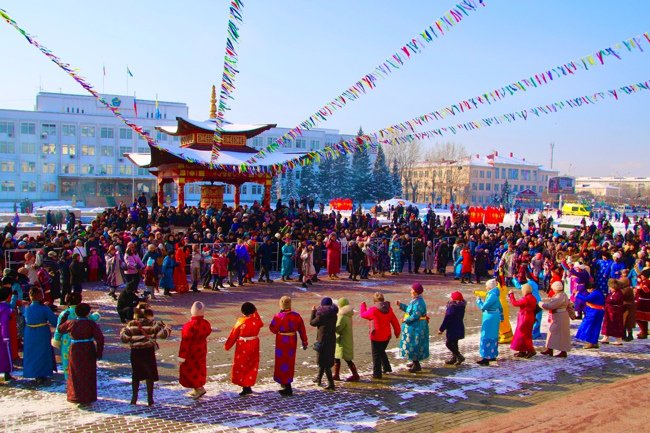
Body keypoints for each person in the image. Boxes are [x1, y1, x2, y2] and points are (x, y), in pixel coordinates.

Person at [120, 304, 172, 406]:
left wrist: (122, 331)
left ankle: (134, 398)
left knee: (136, 375)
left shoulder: (131, 324)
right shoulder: (152, 323)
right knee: (149, 375)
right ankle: (150, 399)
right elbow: (163, 335)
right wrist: (167, 328)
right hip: (148, 351)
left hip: (135, 352)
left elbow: (124, 339)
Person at [55, 303, 104, 405]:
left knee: (75, 372)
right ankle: (88, 397)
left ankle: (75, 396)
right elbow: (100, 338)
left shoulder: (71, 323)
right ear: (87, 313)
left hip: (75, 350)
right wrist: (99, 352)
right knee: (88, 372)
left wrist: (63, 318)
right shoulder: (91, 323)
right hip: (88, 349)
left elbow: (60, 329)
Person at [52, 293, 101, 380]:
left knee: (68, 362)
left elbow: (58, 329)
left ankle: (69, 380)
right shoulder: (83, 311)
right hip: (83, 341)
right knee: (82, 363)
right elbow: (93, 318)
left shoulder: (64, 313)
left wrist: (56, 339)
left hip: (67, 341)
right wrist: (97, 314)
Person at [269, 296, 308, 396]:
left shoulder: (278, 316)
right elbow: (302, 330)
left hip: (282, 341)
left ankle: (286, 385)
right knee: (289, 362)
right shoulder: (296, 316)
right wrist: (304, 341)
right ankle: (286, 382)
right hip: (292, 340)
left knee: (281, 361)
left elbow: (272, 329)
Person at [224, 302, 263, 396]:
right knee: (252, 364)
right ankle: (248, 384)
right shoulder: (256, 321)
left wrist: (227, 345)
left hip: (243, 346)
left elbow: (233, 334)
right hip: (254, 344)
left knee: (242, 365)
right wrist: (255, 311)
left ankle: (245, 386)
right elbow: (261, 323)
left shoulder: (241, 321)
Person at [360, 292, 400, 379]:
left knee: (376, 355)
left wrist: (363, 306)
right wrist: (397, 332)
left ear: (374, 301)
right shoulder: (389, 309)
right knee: (381, 351)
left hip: (376, 336)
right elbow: (395, 322)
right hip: (386, 336)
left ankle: (377, 374)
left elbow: (363, 315)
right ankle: (387, 368)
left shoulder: (373, 310)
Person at [23, 287, 58, 384]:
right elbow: (54, 321)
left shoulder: (27, 308)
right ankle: (42, 374)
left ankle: (32, 372)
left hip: (29, 332)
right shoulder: (44, 308)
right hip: (42, 332)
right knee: (42, 352)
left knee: (31, 353)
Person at [179, 301, 212, 399]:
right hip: (201, 349)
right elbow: (208, 331)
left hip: (190, 351)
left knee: (190, 370)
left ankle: (199, 388)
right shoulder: (206, 323)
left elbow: (185, 342)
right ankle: (196, 387)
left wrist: (181, 356)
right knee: (199, 368)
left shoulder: (189, 326)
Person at [396, 283, 429, 373]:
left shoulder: (419, 302)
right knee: (412, 343)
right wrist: (401, 306)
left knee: (415, 344)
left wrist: (405, 320)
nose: (410, 291)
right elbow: (410, 310)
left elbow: (415, 315)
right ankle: (414, 361)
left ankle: (416, 364)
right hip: (414, 326)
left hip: (417, 327)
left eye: (412, 290)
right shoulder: (415, 300)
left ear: (415, 292)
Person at [310, 297, 338, 391]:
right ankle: (319, 379)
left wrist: (313, 312)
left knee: (324, 362)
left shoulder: (321, 315)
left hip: (322, 340)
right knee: (325, 361)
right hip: (331, 340)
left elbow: (312, 323)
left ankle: (331, 384)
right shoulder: (334, 314)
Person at [539, 281, 571, 357]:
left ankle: (562, 351)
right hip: (560, 316)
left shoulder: (559, 297)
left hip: (559, 316)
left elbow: (550, 306)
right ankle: (550, 349)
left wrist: (540, 304)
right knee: (553, 332)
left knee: (557, 333)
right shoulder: (563, 295)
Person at [475, 279, 502, 366]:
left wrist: (479, 301)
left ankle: (486, 357)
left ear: (490, 287)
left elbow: (484, 307)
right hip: (494, 316)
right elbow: (500, 306)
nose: (486, 288)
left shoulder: (492, 295)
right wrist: (501, 317)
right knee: (493, 336)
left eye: (486, 286)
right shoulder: (494, 294)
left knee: (487, 335)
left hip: (490, 317)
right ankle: (492, 356)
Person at [507, 283, 537, 358]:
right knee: (525, 334)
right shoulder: (533, 297)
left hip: (524, 318)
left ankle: (531, 350)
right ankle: (522, 350)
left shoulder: (526, 298)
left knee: (523, 334)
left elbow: (515, 303)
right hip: (529, 317)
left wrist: (511, 295)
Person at [333, 297, 358, 382]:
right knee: (341, 357)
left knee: (342, 358)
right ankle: (337, 374)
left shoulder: (342, 315)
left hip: (341, 339)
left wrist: (331, 326)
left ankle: (354, 375)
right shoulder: (348, 314)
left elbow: (338, 328)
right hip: (346, 338)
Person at [438, 291, 466, 365]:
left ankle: (459, 356)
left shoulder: (451, 308)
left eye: (451, 297)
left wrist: (441, 329)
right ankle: (454, 358)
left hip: (452, 329)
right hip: (459, 327)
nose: (450, 298)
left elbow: (446, 320)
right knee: (455, 343)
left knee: (449, 343)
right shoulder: (461, 307)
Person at [575, 283, 606, 349]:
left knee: (589, 327)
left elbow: (587, 298)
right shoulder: (597, 292)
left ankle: (590, 342)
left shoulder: (595, 293)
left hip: (594, 313)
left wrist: (578, 294)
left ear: (591, 288)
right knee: (594, 328)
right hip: (596, 312)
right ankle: (594, 342)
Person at [600, 278, 625, 345]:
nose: (610, 288)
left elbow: (614, 301)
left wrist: (606, 301)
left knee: (616, 326)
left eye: (611, 287)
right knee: (607, 324)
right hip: (609, 312)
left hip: (616, 313)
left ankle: (619, 339)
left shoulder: (619, 293)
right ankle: (606, 337)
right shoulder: (612, 293)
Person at [0, 285, 13, 381]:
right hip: (2, 334)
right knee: (5, 354)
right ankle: (7, 373)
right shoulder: (5, 307)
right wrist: (6, 336)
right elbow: (4, 322)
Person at [636, 272, 650, 339]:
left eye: (642, 275)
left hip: (645, 302)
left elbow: (646, 291)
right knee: (642, 318)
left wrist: (638, 288)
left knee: (640, 317)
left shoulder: (648, 282)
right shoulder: (643, 281)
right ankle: (643, 331)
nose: (641, 276)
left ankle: (644, 332)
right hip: (641, 300)